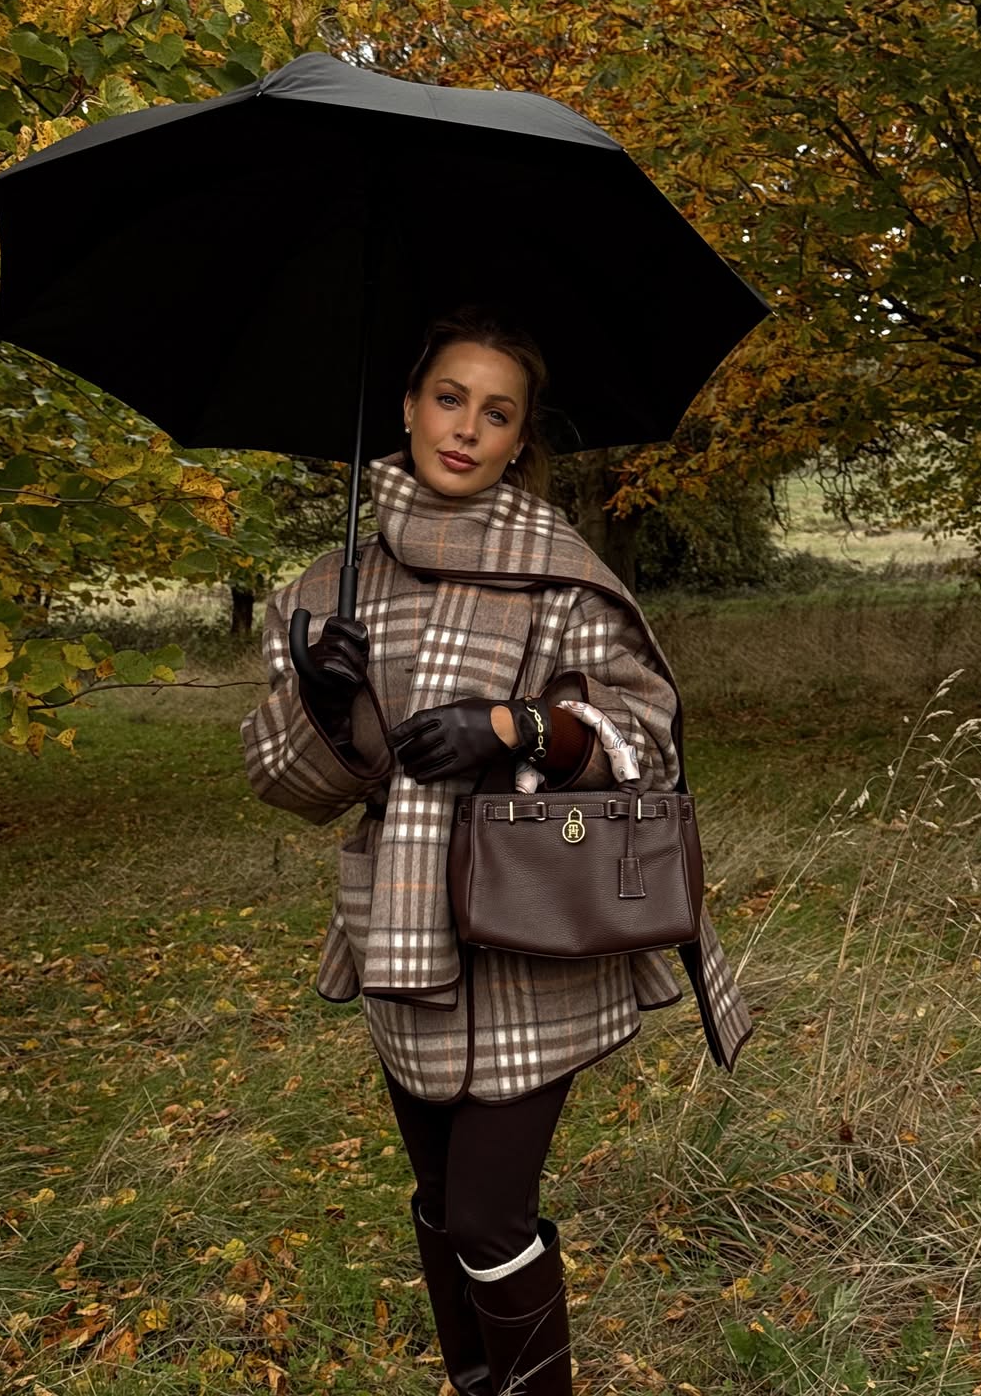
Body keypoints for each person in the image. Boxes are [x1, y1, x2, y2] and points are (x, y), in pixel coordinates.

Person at [240, 305, 752, 1396]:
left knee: (486, 1212)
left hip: (534, 933)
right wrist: (328, 708)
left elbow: (647, 739)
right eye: (448, 398)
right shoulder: (334, 588)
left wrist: (519, 730)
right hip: (400, 924)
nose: (466, 427)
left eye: (497, 412)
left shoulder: (563, 577)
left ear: (523, 440)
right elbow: (287, 788)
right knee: (438, 1205)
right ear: (411, 406)